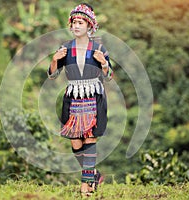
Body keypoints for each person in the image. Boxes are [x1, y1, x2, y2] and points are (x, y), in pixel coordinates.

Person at [47, 3, 113, 196]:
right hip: (73, 97)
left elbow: (109, 77)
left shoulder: (99, 48)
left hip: (94, 97)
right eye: (74, 22)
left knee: (90, 137)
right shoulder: (65, 48)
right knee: (76, 142)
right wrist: (54, 60)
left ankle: (86, 185)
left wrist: (104, 64)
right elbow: (52, 75)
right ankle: (93, 174)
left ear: (89, 26)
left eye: (81, 22)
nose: (76, 26)